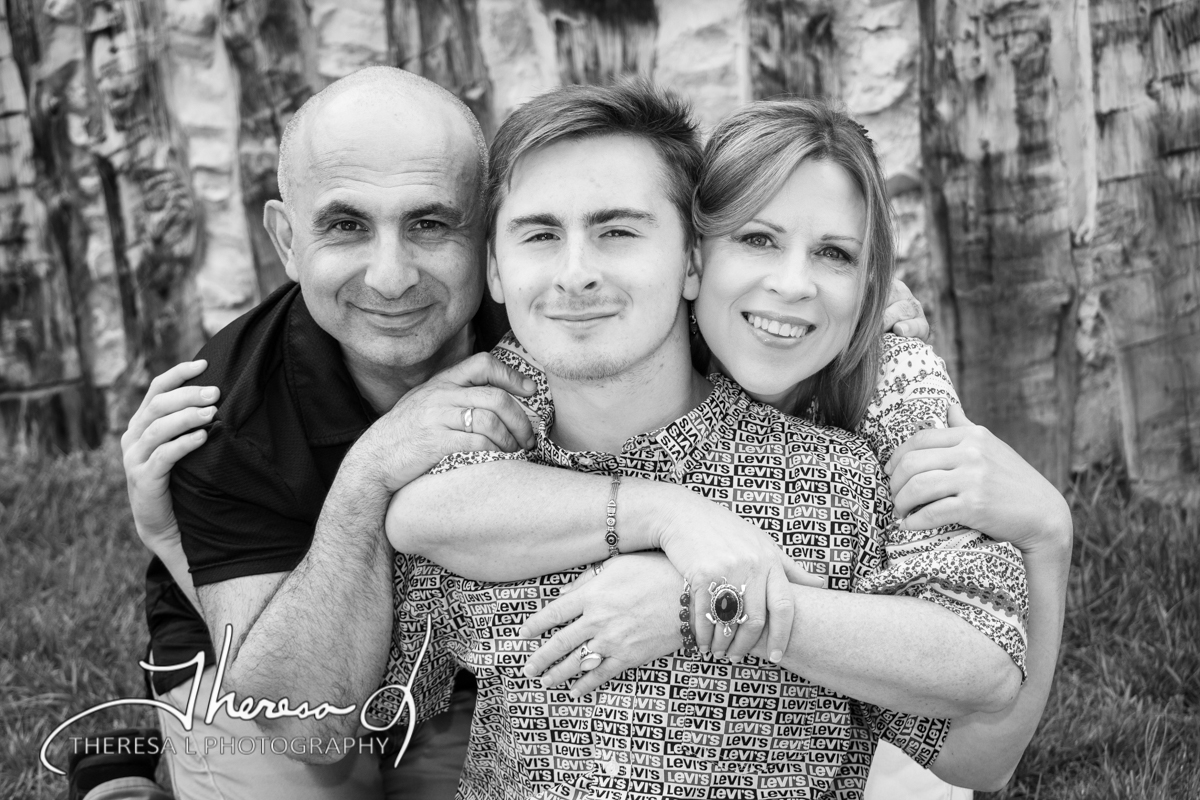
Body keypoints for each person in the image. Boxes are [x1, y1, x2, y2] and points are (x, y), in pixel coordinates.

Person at [111, 69, 930, 800]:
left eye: (431, 225)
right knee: (261, 774)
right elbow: (299, 720)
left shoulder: (576, 307)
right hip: (298, 638)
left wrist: (853, 320)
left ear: (484, 237)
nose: (391, 278)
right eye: (347, 227)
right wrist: (367, 476)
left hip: (495, 678)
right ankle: (121, 769)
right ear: (288, 241)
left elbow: (756, 281)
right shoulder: (221, 411)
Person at [361, 82, 1053, 798]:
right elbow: (353, 719)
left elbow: (981, 690)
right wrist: (665, 516)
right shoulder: (493, 437)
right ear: (496, 270)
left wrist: (711, 603)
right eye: (540, 235)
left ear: (690, 261)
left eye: (618, 231)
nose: (576, 275)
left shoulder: (856, 456)